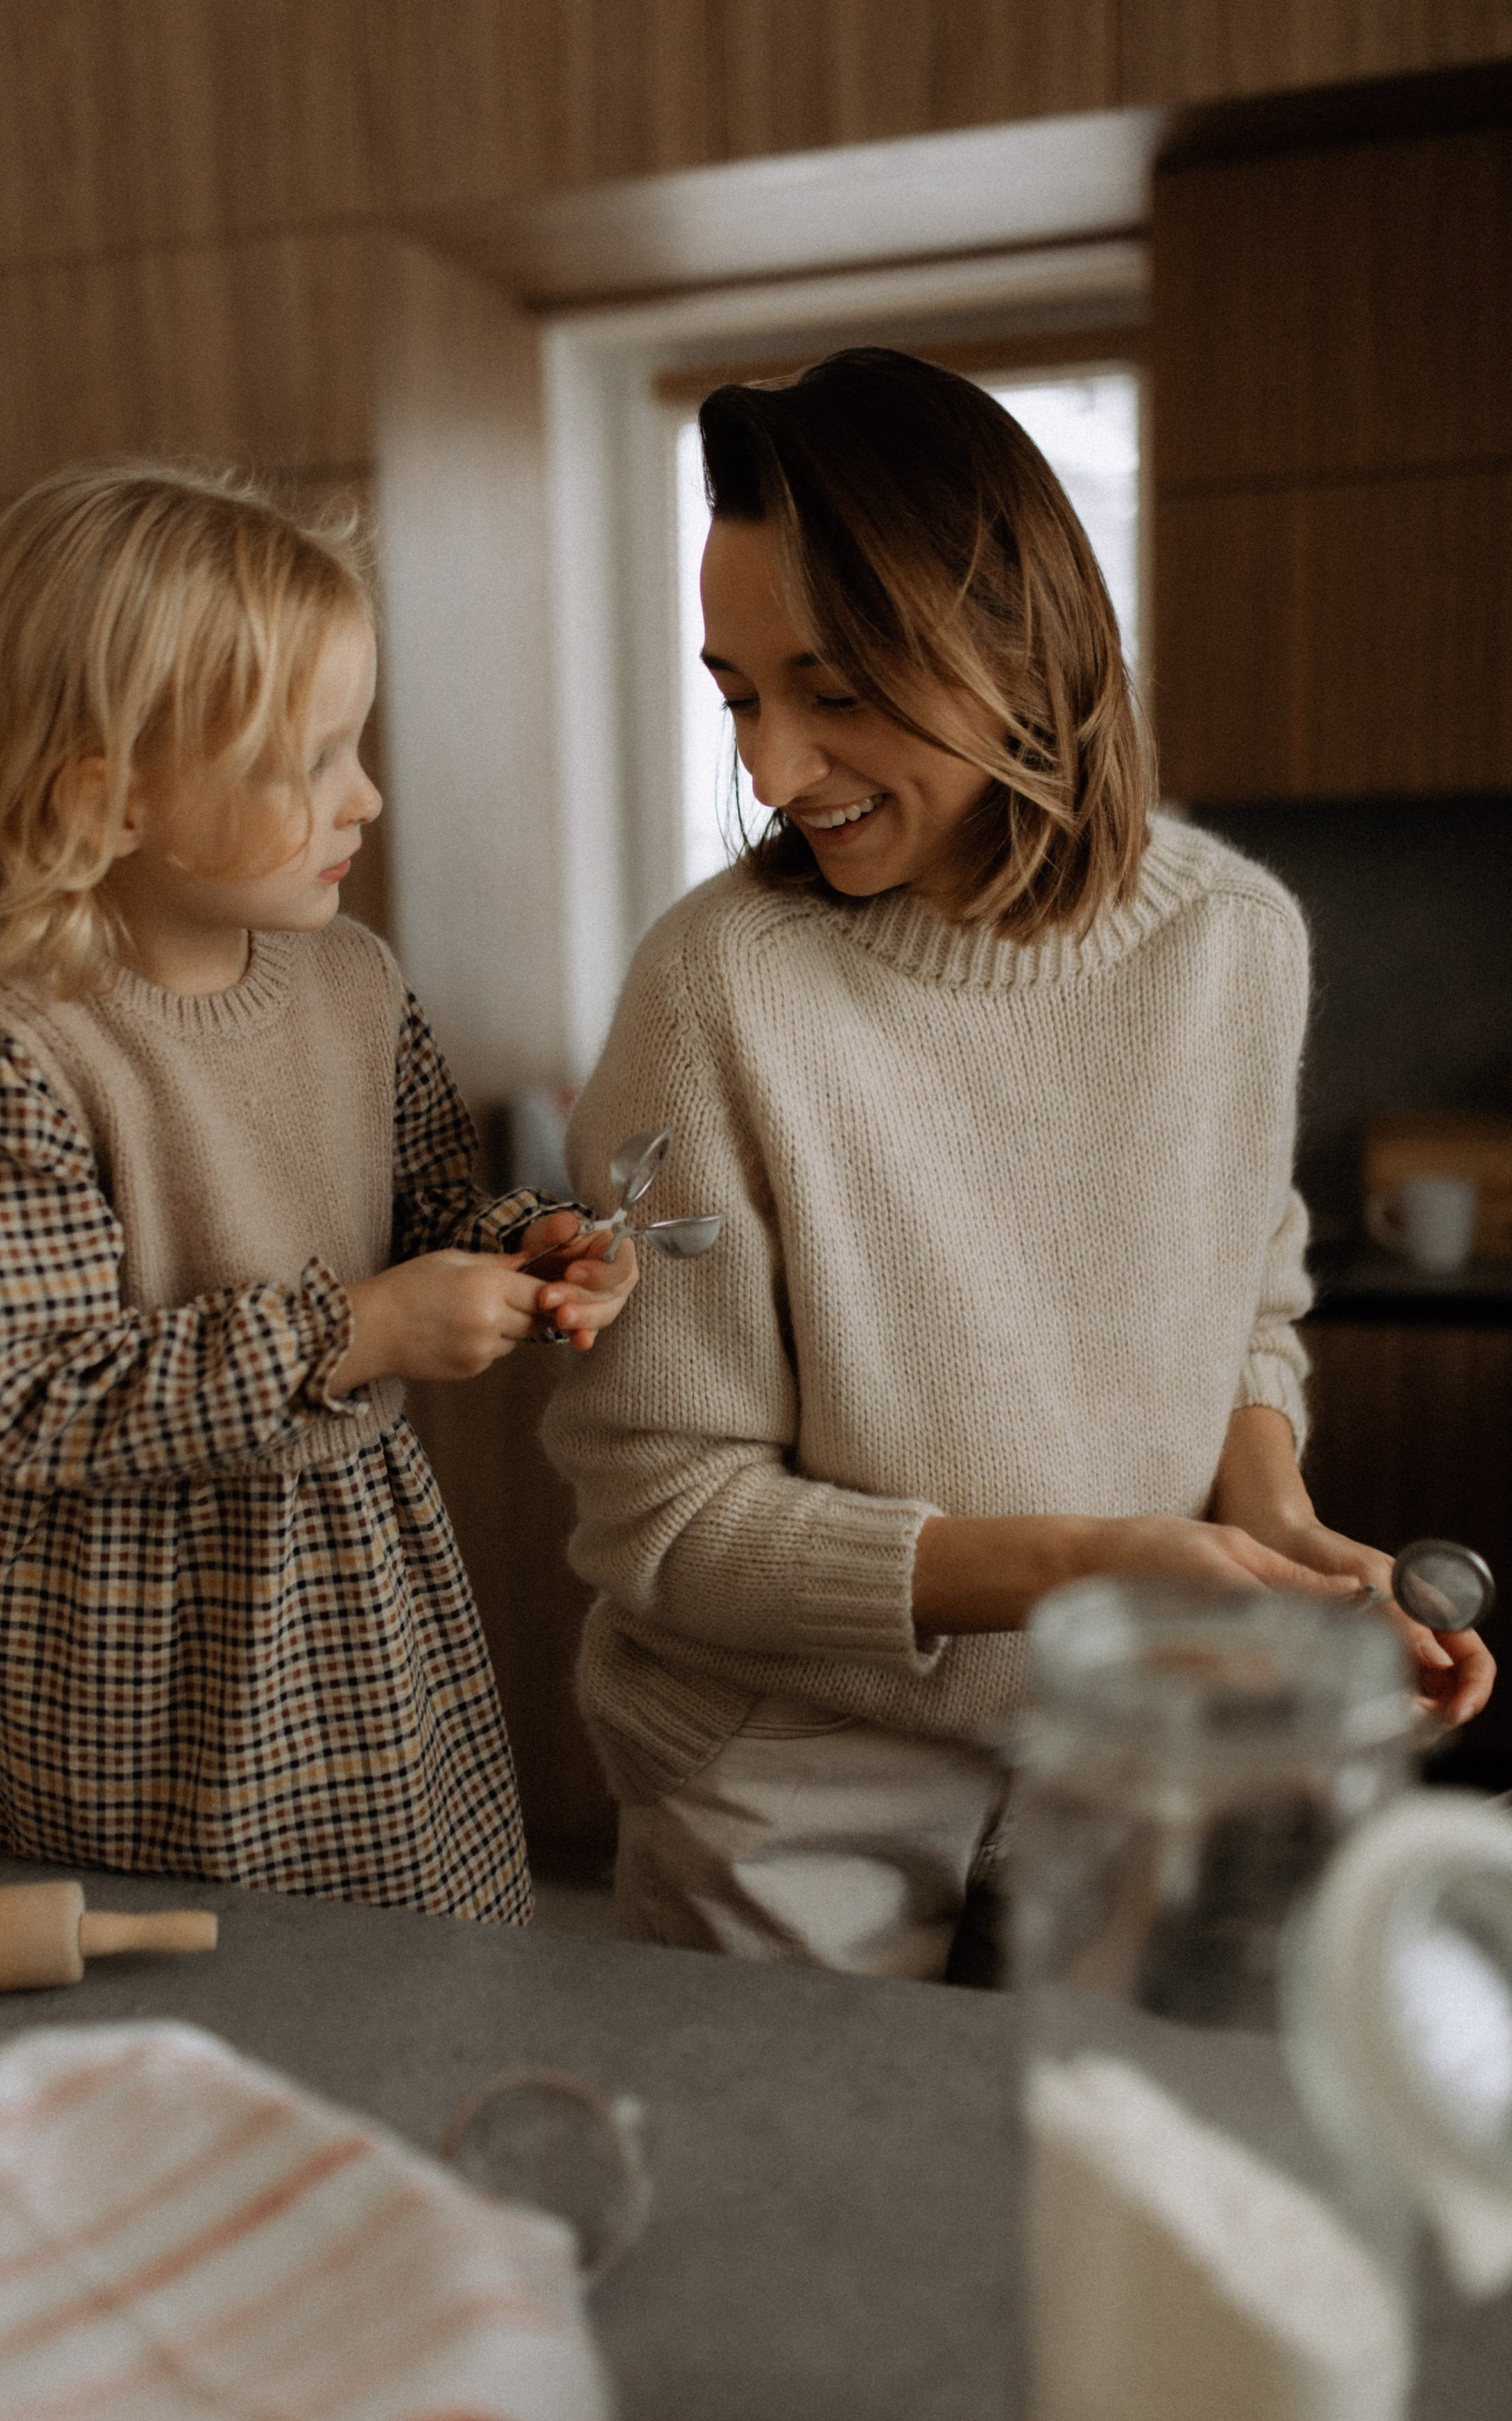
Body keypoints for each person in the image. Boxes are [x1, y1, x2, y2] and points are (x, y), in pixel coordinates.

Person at [544, 347, 1494, 1978]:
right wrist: (1084, 1567)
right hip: (789, 1782)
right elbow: (669, 1520)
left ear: (1016, 646)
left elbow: (1243, 1311)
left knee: (1097, 2142)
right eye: (739, 696)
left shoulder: (1233, 942)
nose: (770, 771)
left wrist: (1276, 1531)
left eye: (834, 691)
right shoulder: (719, 990)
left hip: (1128, 1751)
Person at [0, 464, 636, 1915]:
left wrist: (525, 1245)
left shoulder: (353, 981)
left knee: (403, 1969)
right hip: (115, 1636)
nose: (368, 794)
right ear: (111, 799)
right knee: (177, 1974)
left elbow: (424, 1208)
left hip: (351, 1579)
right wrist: (361, 1332)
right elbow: (40, 1401)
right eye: (311, 758)